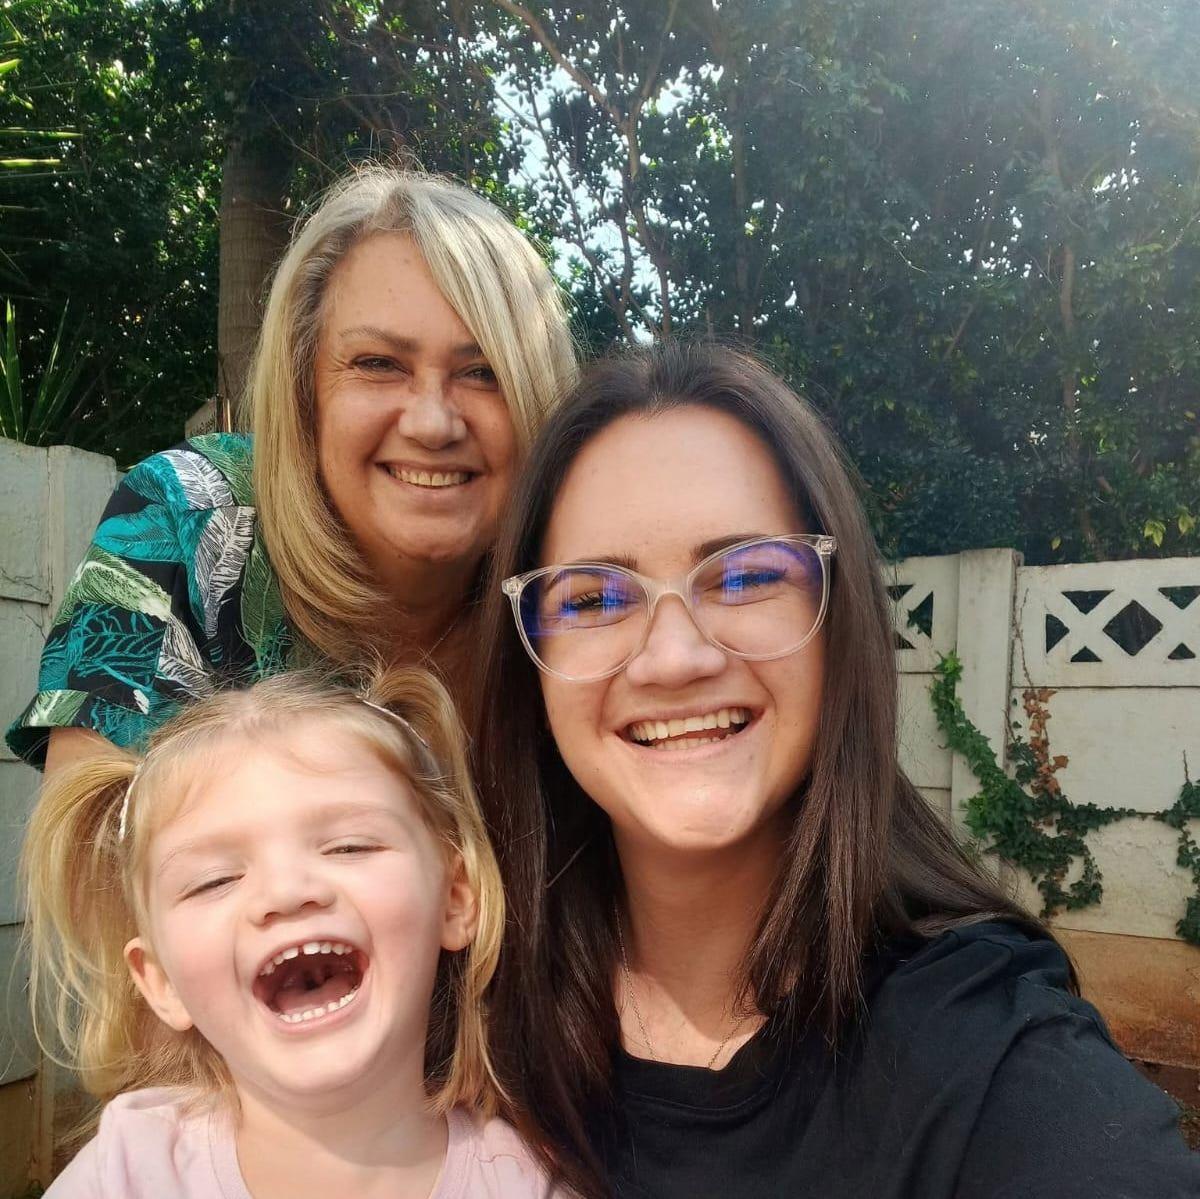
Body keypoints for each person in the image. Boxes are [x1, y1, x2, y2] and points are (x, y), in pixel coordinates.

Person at [473, 342, 1200, 1199]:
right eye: (595, 597)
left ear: (837, 620)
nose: (674, 657)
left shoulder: (981, 1054)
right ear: (531, 663)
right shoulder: (466, 1012)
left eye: (745, 575)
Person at [6, 164, 576, 775]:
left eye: (484, 373)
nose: (433, 424)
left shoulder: (585, 575)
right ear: (304, 390)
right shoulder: (186, 512)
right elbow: (87, 827)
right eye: (379, 364)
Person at [23, 667, 554, 1198]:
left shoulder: (525, 1185)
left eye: (350, 847)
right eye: (215, 880)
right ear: (160, 981)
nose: (285, 891)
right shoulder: (126, 1173)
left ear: (455, 899)